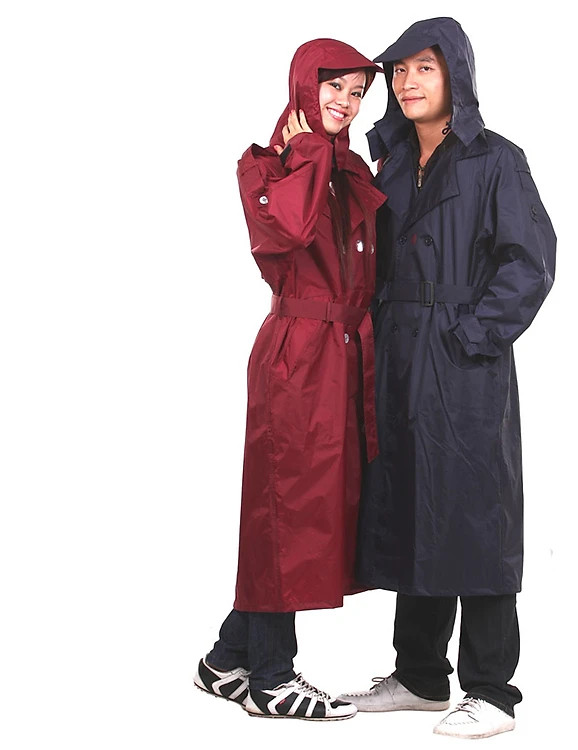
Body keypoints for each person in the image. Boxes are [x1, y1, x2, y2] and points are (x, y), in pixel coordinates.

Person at [338, 17, 557, 739]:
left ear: (455, 74)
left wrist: (472, 337)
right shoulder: (392, 163)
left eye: (423, 68)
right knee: (413, 503)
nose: (407, 82)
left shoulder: (495, 159)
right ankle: (420, 675)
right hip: (397, 353)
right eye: (398, 71)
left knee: (476, 513)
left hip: (464, 360)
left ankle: (491, 690)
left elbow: (530, 262)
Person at [193, 38, 385, 721]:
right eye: (333, 87)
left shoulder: (346, 167)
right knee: (286, 510)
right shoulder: (267, 166)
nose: (345, 102)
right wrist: (306, 151)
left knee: (312, 513)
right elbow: (288, 233)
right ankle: (272, 677)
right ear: (304, 86)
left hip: (343, 352)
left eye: (357, 92)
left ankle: (227, 659)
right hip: (297, 353)